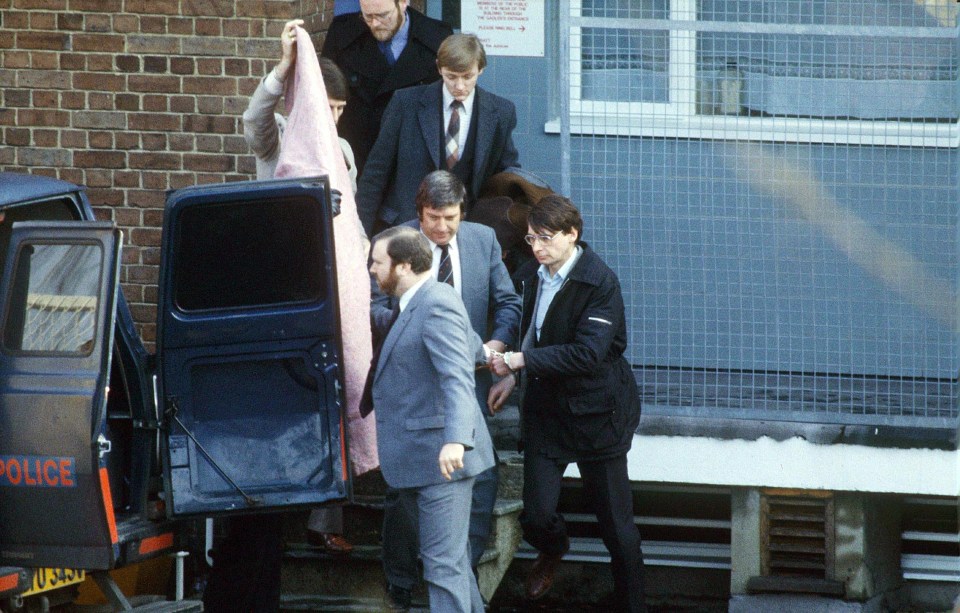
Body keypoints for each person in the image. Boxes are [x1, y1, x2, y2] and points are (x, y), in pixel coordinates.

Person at [489, 195, 647, 612]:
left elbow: (587, 354)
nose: (537, 247)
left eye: (545, 238)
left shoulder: (599, 282)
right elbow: (526, 327)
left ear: (571, 235)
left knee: (617, 526)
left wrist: (522, 361)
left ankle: (633, 605)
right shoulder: (530, 275)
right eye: (530, 239)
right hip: (547, 413)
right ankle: (553, 547)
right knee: (536, 515)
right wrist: (512, 375)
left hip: (598, 414)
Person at [371, 171, 521, 608]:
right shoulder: (413, 277)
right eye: (433, 217)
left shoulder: (440, 292)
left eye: (450, 217)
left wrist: (494, 358)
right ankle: (401, 580)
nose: (442, 227)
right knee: (448, 563)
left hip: (445, 440)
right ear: (419, 215)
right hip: (423, 431)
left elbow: (459, 371)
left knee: (445, 565)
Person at [241, 18, 356, 555]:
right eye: (324, 108)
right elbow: (253, 118)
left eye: (339, 111)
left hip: (329, 291)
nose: (331, 120)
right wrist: (284, 67)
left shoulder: (345, 155)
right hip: (278, 289)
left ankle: (325, 513)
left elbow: (351, 220)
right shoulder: (278, 139)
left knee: (331, 391)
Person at [356, 33, 520, 236]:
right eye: (451, 76)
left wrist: (500, 234)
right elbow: (376, 172)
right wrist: (359, 233)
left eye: (468, 76)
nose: (459, 86)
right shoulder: (405, 104)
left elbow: (505, 179)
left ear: (481, 69)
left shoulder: (501, 112)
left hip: (466, 228)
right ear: (439, 68)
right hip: (406, 226)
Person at [322, 0, 452, 175]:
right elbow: (324, 93)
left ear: (404, 3)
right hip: (356, 163)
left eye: (383, 15)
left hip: (411, 165)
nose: (375, 24)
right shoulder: (342, 33)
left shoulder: (437, 37)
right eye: (368, 16)